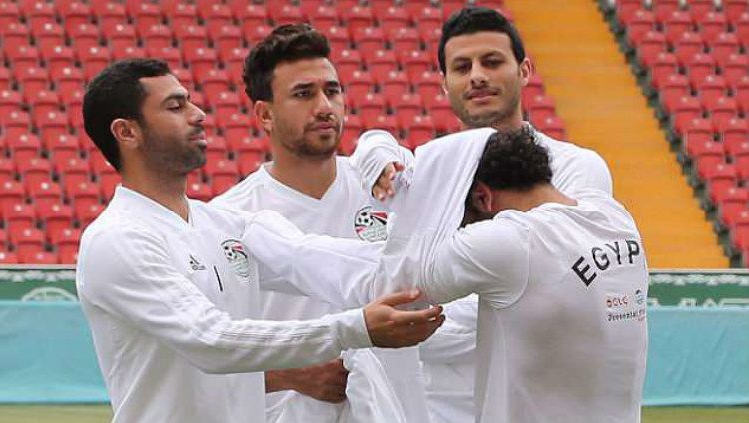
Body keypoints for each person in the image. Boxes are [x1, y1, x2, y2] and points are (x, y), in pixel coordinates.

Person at [76, 58, 445, 423]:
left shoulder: (226, 223)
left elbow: (317, 259)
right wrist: (357, 327)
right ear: (127, 132)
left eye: (190, 100)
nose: (198, 113)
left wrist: (443, 264)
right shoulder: (117, 239)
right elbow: (211, 340)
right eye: (176, 106)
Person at [249, 126, 648, 423]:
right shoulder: (614, 216)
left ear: (483, 198)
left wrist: (264, 234)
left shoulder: (512, 243)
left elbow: (386, 280)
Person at [351, 7, 615, 423]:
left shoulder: (575, 169)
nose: (476, 76)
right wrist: (372, 145)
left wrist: (424, 330)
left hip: (540, 405)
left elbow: (554, 294)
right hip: (440, 410)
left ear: (524, 70)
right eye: (462, 66)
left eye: (492, 62)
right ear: (444, 84)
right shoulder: (430, 176)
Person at [212, 25, 428, 423]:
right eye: (303, 94)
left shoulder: (385, 187)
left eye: (332, 90)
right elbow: (205, 350)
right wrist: (290, 375)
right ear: (264, 114)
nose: (325, 105)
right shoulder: (229, 219)